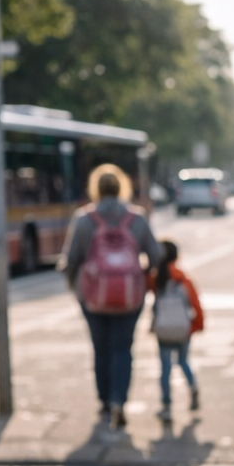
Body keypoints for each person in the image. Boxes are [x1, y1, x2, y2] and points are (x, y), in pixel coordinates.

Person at [60, 163, 158, 429]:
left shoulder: (84, 219)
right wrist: (141, 278)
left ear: (96, 189)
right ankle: (119, 400)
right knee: (123, 348)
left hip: (92, 297)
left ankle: (104, 402)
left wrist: (76, 289)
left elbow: (70, 260)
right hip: (130, 297)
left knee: (100, 348)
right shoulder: (137, 218)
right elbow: (156, 255)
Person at [149, 239, 205, 419]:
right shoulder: (183, 279)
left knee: (165, 367)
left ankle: (166, 406)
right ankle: (193, 388)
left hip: (163, 329)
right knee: (183, 361)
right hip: (182, 329)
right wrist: (196, 326)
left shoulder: (156, 279)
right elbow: (195, 305)